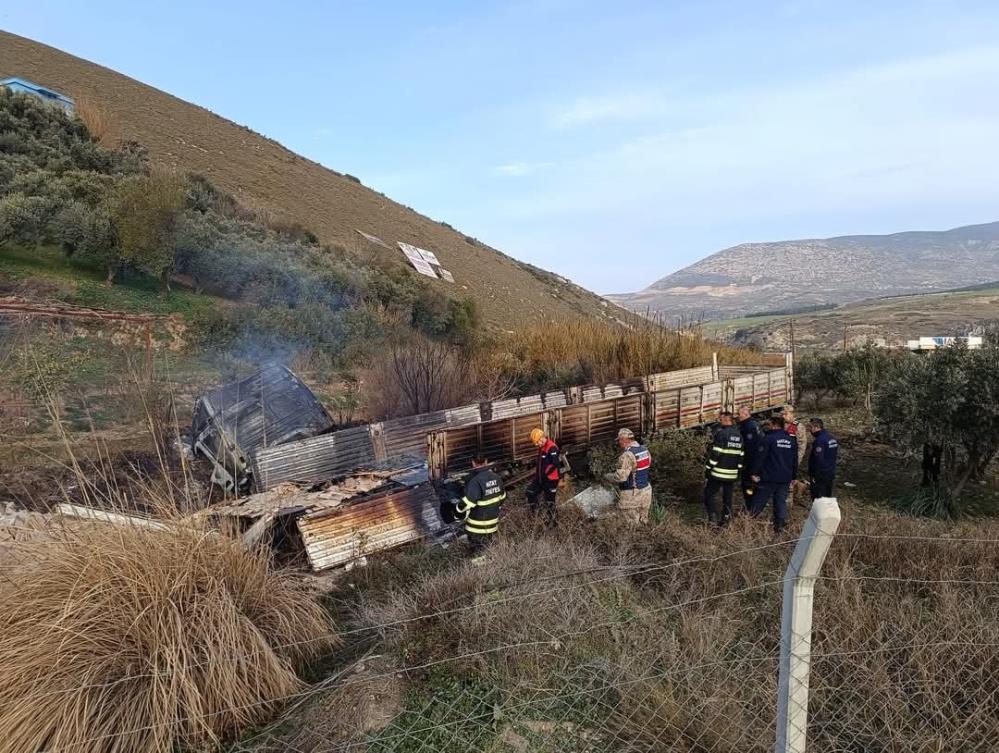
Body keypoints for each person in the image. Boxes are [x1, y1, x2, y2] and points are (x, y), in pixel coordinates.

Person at [750, 415, 798, 533]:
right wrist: (793, 476)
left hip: (769, 477)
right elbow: (794, 460)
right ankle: (779, 528)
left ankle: (747, 524)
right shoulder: (791, 440)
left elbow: (760, 458)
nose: (768, 426)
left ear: (774, 425)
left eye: (770, 424)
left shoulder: (768, 439)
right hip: (785, 478)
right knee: (780, 503)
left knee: (759, 502)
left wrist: (754, 472)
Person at [454, 456, 506, 556]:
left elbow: (468, 502)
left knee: (478, 552)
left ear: (473, 463)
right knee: (487, 548)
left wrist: (457, 510)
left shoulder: (475, 481)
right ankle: (491, 567)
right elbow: (502, 497)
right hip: (492, 524)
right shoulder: (496, 477)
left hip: (476, 527)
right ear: (486, 461)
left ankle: (480, 568)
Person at [604, 427, 654, 523]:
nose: (619, 443)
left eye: (619, 440)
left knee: (630, 525)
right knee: (643, 521)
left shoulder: (627, 455)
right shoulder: (645, 450)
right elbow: (645, 467)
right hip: (646, 492)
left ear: (624, 440)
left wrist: (607, 476)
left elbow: (621, 477)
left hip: (632, 495)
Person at [703, 412, 744, 527]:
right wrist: (738, 473)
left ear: (727, 420)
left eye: (721, 419)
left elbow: (716, 454)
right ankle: (726, 518)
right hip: (731, 475)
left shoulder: (722, 434)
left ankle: (712, 518)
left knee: (709, 494)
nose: (719, 422)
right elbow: (741, 456)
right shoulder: (739, 436)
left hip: (718, 473)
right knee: (727, 497)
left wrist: (708, 468)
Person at [526, 427, 561, 527]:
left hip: (550, 480)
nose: (537, 445)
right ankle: (536, 516)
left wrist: (544, 474)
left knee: (550, 502)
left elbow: (554, 464)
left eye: (537, 443)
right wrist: (538, 477)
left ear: (542, 438)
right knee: (530, 492)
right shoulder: (542, 447)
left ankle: (554, 524)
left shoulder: (552, 448)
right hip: (541, 479)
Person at [736, 407, 763, 510]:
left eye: (739, 414)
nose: (737, 416)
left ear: (746, 414)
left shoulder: (749, 427)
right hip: (754, 463)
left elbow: (750, 448)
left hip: (750, 464)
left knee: (749, 487)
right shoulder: (752, 424)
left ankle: (751, 509)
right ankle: (751, 508)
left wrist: (746, 464)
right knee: (751, 487)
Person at [807, 418, 839, 500]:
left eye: (810, 427)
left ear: (816, 427)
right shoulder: (832, 438)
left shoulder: (820, 441)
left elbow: (818, 460)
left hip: (820, 475)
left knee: (818, 499)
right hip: (830, 472)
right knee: (827, 497)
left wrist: (814, 475)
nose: (809, 430)